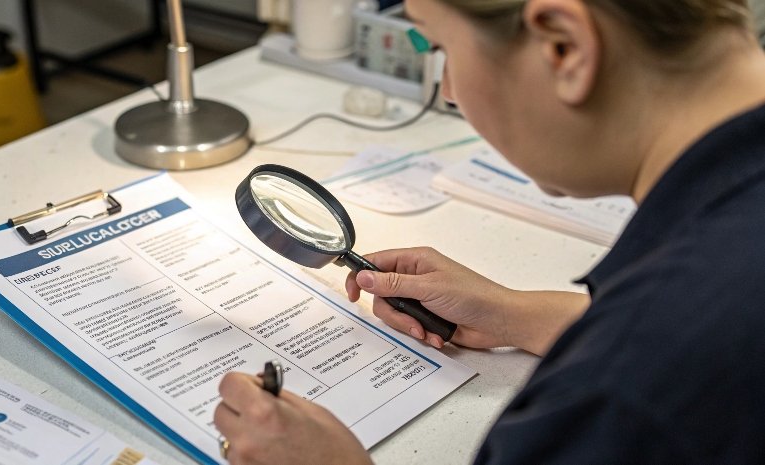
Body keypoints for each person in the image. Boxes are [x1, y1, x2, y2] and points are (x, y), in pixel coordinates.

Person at [214, 0, 765, 462]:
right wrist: (516, 314)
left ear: (564, 47)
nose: (449, 92)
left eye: (443, 49)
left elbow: (664, 355)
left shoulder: (622, 383)